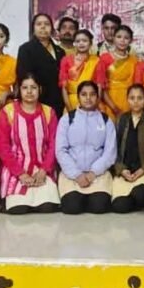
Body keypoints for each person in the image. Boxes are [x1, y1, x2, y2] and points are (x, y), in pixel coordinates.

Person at [0, 73, 60, 215]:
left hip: (42, 169)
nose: (29, 91)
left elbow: (53, 145)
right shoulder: (8, 111)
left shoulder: (49, 112)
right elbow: (3, 147)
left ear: (40, 89)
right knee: (19, 210)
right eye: (25, 88)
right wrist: (21, 174)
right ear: (19, 90)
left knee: (47, 208)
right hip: (16, 170)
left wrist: (44, 171)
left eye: (33, 87)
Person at [56, 80, 116, 214]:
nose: (88, 98)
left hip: (98, 174)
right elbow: (61, 151)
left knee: (99, 207)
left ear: (97, 97)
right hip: (72, 174)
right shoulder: (67, 119)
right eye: (84, 94)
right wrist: (76, 174)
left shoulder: (106, 120)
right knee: (72, 207)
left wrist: (93, 172)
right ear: (78, 97)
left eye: (92, 94)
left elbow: (110, 152)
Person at [111, 85, 144, 213]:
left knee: (141, 194)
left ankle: (140, 197)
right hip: (125, 172)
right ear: (127, 99)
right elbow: (113, 149)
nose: (136, 101)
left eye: (140, 98)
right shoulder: (121, 120)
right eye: (132, 98)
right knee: (119, 207)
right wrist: (121, 170)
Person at [16, 13, 65, 116]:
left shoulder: (60, 51)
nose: (43, 27)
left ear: (52, 29)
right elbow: (23, 75)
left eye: (46, 24)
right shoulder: (26, 49)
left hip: (58, 100)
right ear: (33, 29)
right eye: (39, 24)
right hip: (36, 99)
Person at [96, 25, 137, 121]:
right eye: (119, 37)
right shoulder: (104, 58)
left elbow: (136, 86)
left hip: (130, 101)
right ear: (113, 38)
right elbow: (101, 85)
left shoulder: (134, 61)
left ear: (131, 41)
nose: (122, 40)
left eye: (126, 38)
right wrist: (114, 108)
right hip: (109, 101)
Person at [59, 29, 100, 113]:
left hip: (91, 103)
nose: (81, 43)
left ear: (90, 43)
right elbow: (64, 88)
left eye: (84, 41)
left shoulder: (97, 61)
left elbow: (99, 86)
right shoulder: (66, 60)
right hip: (71, 103)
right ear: (74, 43)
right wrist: (70, 110)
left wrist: (94, 106)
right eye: (78, 41)